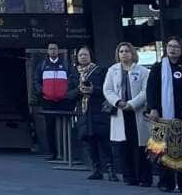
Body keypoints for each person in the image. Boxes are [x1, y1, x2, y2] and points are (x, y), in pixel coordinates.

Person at [144, 36, 182, 193]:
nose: (172, 49)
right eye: (170, 46)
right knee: (163, 150)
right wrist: (153, 108)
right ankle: (166, 182)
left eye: (176, 47)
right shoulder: (158, 67)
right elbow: (151, 90)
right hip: (163, 116)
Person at [103, 42, 152, 187]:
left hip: (137, 112)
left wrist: (132, 104)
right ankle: (129, 177)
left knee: (141, 146)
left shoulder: (143, 71)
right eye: (121, 51)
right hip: (120, 112)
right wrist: (118, 102)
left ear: (132, 53)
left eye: (127, 51)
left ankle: (144, 178)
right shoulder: (112, 70)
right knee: (124, 146)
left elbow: (146, 91)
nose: (124, 54)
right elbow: (108, 90)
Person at [73, 46, 116, 182]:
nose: (83, 57)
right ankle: (96, 170)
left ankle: (111, 170)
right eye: (80, 55)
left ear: (91, 56)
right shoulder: (74, 73)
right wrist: (79, 91)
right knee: (89, 141)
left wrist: (94, 90)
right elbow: (68, 94)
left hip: (99, 110)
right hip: (83, 112)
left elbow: (108, 89)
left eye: (85, 54)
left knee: (104, 141)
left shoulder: (100, 71)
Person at [33, 43, 77, 160]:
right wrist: (41, 91)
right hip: (47, 101)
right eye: (51, 49)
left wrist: (67, 92)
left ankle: (67, 153)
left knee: (65, 126)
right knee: (50, 127)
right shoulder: (42, 65)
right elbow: (36, 80)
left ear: (58, 51)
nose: (53, 51)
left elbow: (73, 79)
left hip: (63, 100)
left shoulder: (66, 65)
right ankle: (53, 152)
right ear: (48, 51)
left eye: (55, 49)